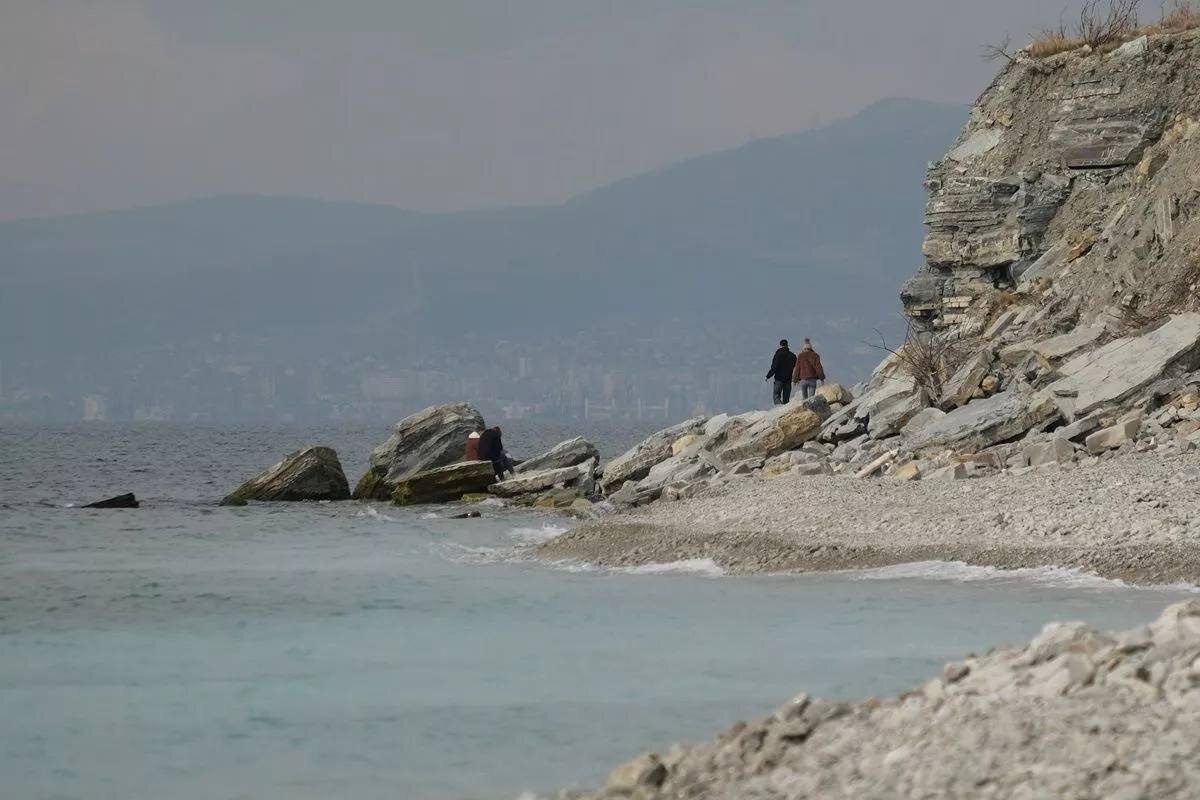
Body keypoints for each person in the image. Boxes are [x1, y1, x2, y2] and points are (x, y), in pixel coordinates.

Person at [765, 339, 797, 405]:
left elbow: (774, 367)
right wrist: (797, 378)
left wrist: (768, 376)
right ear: (787, 345)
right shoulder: (793, 356)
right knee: (786, 399)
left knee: (776, 395)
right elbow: (796, 368)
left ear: (780, 345)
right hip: (788, 380)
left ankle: (780, 407)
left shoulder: (777, 355)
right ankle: (785, 409)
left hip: (779, 379)